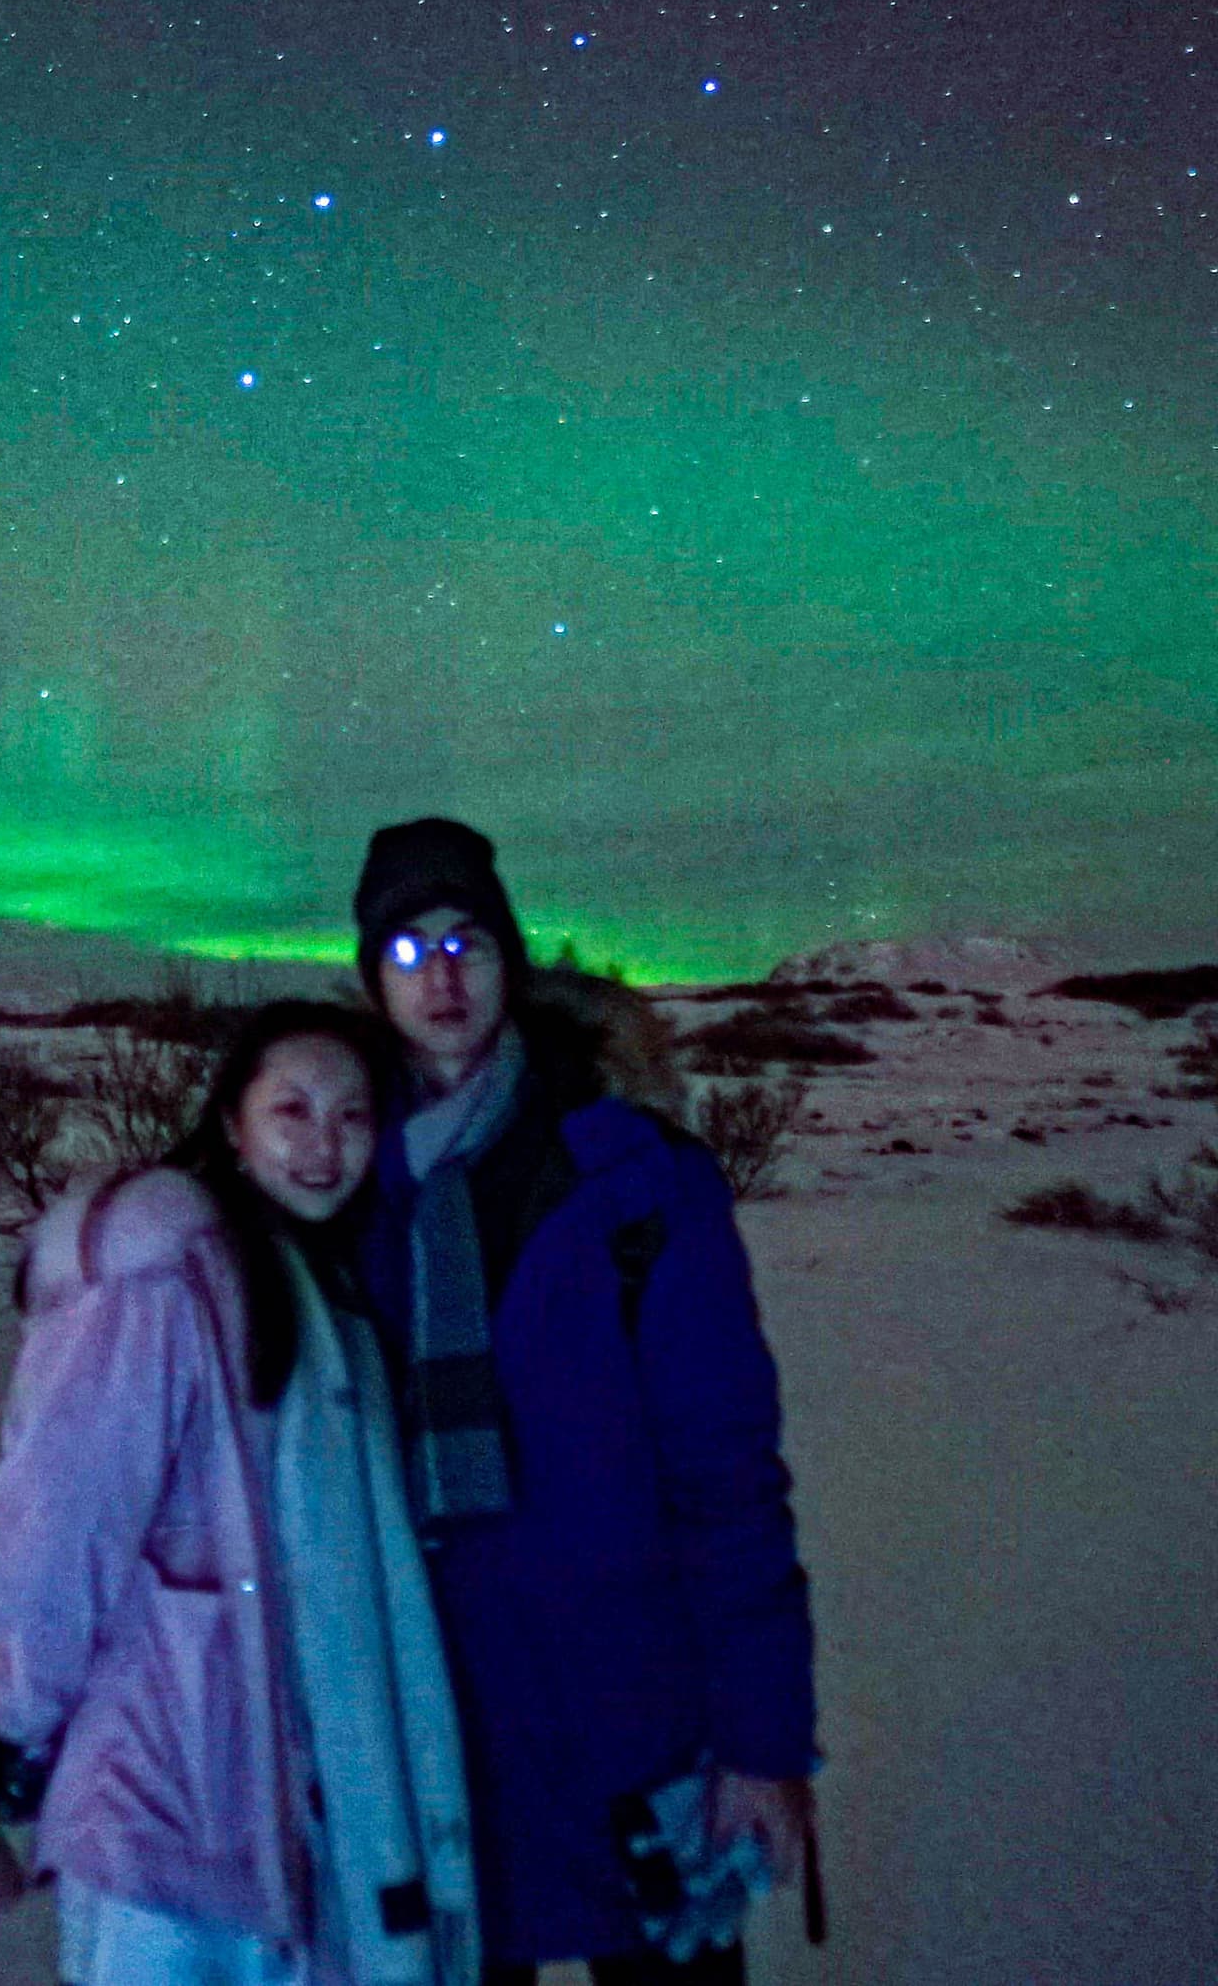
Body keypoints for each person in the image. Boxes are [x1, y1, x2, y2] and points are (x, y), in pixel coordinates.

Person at [343, 818, 819, 1985]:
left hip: (634, 1725)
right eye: (407, 951)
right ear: (372, 983)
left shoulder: (638, 1181)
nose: (442, 976)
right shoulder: (338, 1191)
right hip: (436, 1742)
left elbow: (726, 1478)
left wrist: (762, 1742)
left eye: (467, 942)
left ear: (510, 960)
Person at [0, 1000, 484, 1986]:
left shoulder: (321, 1294)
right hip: (163, 1803)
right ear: (233, 1124)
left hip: (285, 1812)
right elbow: (59, 1521)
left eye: (353, 1116)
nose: (324, 1145)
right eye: (293, 1110)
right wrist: (6, 1723)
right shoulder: (161, 1275)